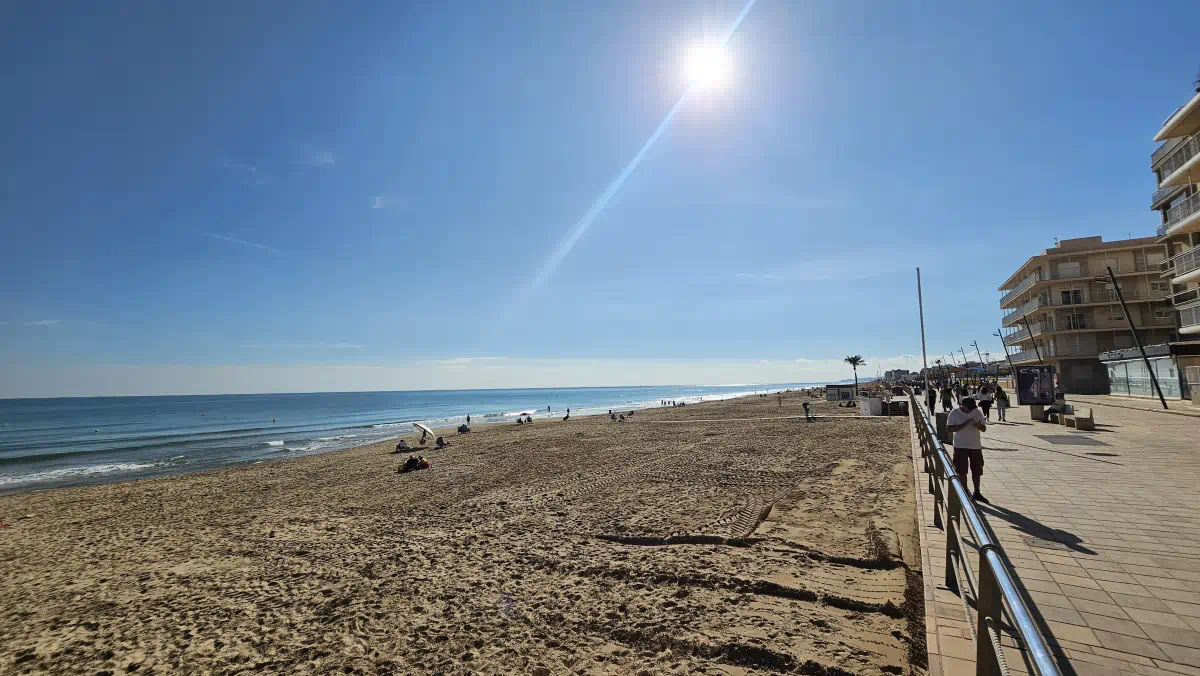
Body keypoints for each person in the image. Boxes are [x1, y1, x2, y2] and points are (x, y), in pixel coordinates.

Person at [947, 397, 988, 503]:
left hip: (975, 446)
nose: (971, 410)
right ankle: (964, 490)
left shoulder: (977, 412)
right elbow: (949, 428)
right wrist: (965, 424)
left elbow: (984, 428)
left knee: (977, 470)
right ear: (962, 405)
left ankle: (977, 492)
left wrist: (978, 425)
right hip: (960, 445)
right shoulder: (954, 413)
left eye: (972, 408)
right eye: (968, 408)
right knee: (962, 470)